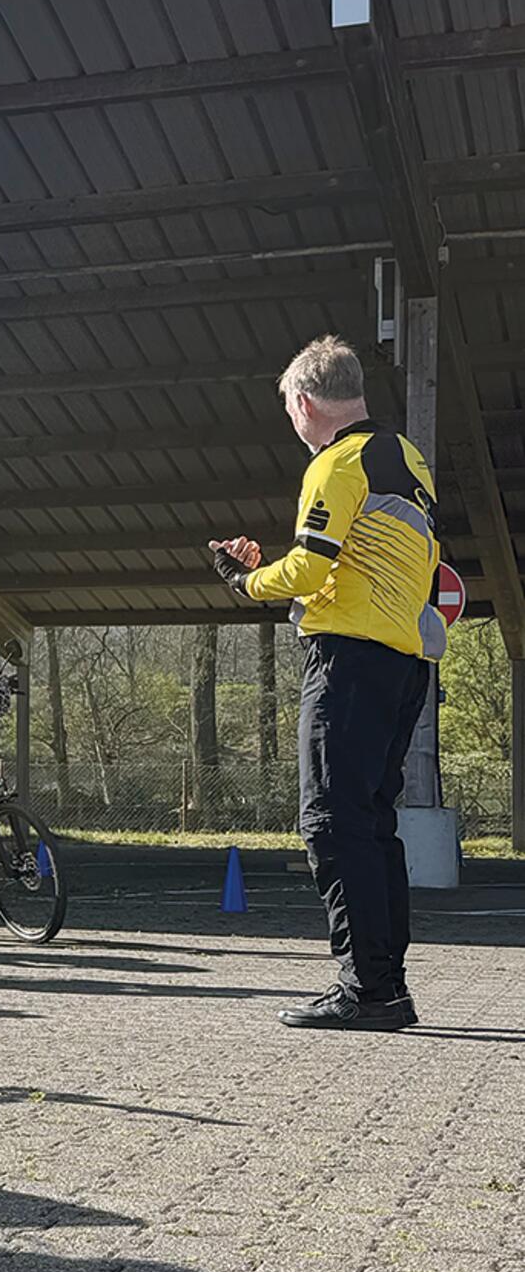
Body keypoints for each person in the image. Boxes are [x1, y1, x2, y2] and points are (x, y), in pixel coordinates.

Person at [211, 335, 442, 1032]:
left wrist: (246, 579)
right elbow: (367, 554)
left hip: (348, 659)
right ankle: (385, 984)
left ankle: (366, 990)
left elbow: (311, 572)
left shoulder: (334, 464)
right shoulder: (404, 455)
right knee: (372, 825)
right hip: (404, 658)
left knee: (331, 824)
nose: (290, 419)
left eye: (287, 407)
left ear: (304, 402)